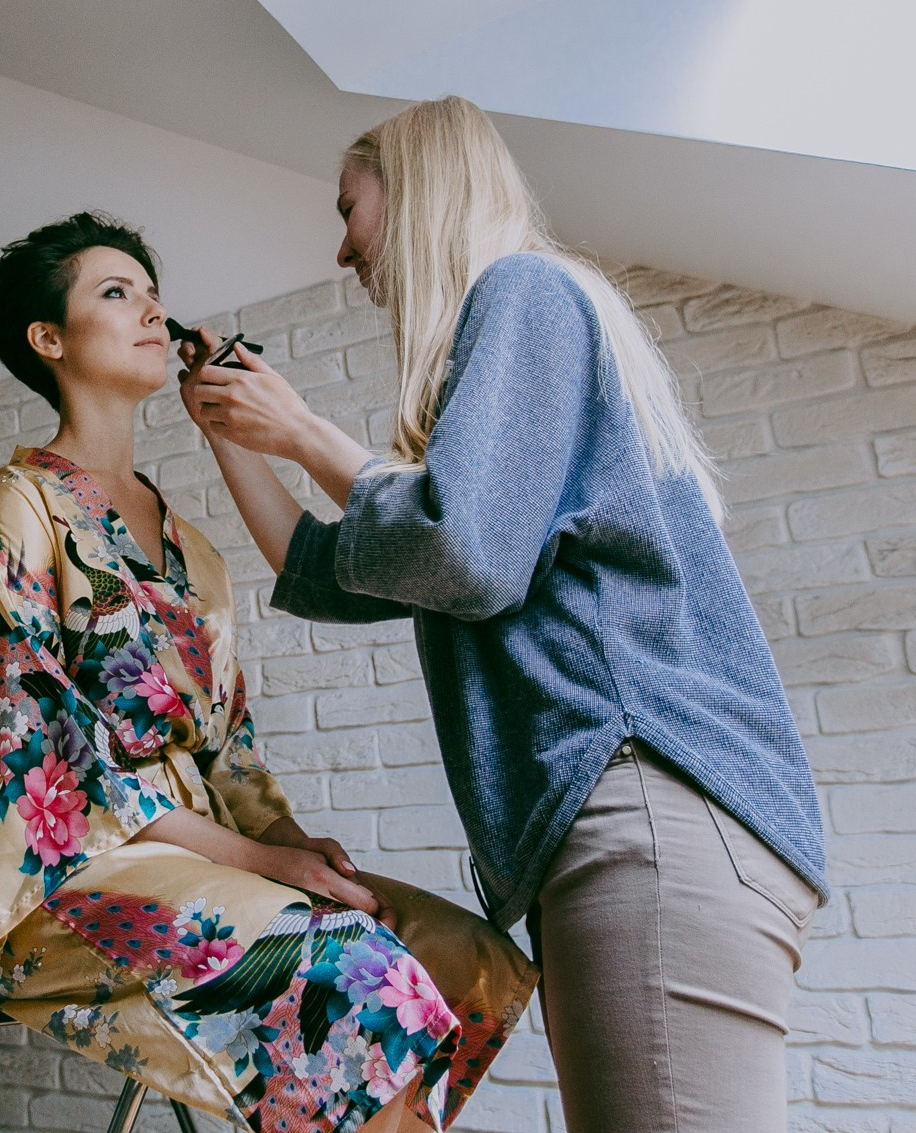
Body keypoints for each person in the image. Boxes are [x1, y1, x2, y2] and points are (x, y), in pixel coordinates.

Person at [177, 96, 829, 1132]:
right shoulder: (506, 387)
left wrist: (301, 430)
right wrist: (233, 435)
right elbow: (328, 564)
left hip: (647, 816)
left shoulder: (526, 293)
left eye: (348, 205)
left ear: (417, 187)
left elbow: (463, 547)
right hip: (625, 834)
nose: (341, 246)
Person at [0, 212, 533, 1133]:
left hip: (202, 861)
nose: (151, 310)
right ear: (48, 340)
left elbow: (227, 746)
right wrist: (259, 858)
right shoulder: (19, 505)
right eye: (115, 292)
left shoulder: (191, 550)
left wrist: (296, 840)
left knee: (462, 954)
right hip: (66, 881)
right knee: (353, 970)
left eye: (154, 293)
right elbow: (29, 746)